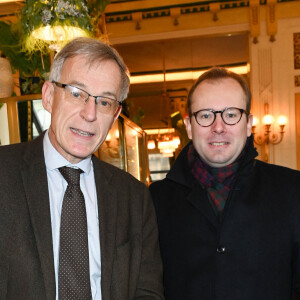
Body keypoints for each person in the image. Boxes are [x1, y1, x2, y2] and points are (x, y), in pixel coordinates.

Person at [0, 37, 164, 300]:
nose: (90, 113)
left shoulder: (133, 196)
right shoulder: (4, 175)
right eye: (77, 93)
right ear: (49, 96)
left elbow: (147, 291)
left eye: (105, 102)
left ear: (115, 114)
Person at [149, 67, 300, 299]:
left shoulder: (292, 190)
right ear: (189, 126)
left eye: (231, 114)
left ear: (249, 124)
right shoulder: (155, 200)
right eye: (206, 115)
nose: (218, 127)